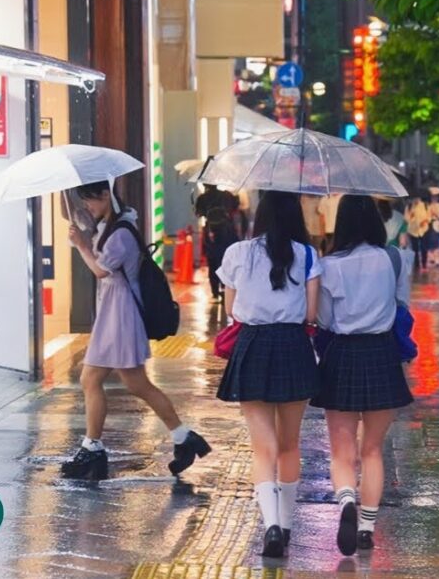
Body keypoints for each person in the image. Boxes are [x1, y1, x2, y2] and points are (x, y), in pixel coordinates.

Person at [64, 180, 211, 481]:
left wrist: (81, 244)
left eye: (91, 200)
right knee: (123, 382)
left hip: (119, 315)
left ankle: (94, 449)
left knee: (116, 381)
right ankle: (181, 438)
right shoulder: (113, 226)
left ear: (106, 195)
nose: (88, 206)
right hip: (113, 314)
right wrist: (83, 234)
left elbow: (101, 270)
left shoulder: (120, 233)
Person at [216, 191, 321, 559]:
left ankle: (271, 525)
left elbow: (231, 309)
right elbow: (311, 313)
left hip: (253, 347)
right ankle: (287, 526)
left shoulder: (237, 254)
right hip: (293, 346)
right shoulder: (308, 255)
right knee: (290, 444)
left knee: (264, 446)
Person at [312, 195, 413, 555]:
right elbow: (401, 304)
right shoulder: (394, 258)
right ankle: (367, 528)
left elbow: (322, 319)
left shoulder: (329, 265)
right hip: (382, 354)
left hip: (341, 355)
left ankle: (346, 503)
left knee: (342, 450)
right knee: (372, 449)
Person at [195, 185, 241, 302]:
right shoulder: (226, 195)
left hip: (211, 234)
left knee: (212, 263)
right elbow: (236, 207)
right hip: (227, 233)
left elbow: (198, 213)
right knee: (227, 260)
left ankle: (215, 292)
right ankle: (226, 288)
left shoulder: (203, 198)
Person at [405, 194, 432, 271]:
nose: (415, 200)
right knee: (415, 249)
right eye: (414, 198)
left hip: (424, 230)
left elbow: (429, 217)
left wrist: (425, 221)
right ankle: (417, 266)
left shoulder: (425, 206)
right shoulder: (409, 206)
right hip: (413, 230)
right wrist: (411, 216)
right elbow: (406, 218)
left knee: (424, 248)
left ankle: (424, 265)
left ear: (419, 198)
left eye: (417, 198)